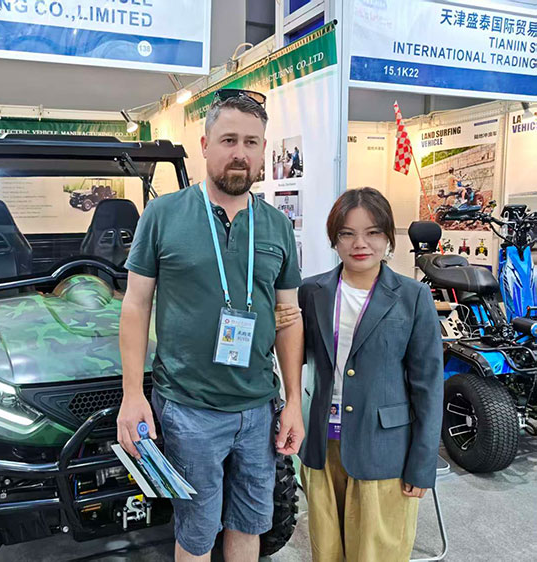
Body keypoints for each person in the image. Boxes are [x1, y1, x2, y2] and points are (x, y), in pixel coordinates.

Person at [117, 89, 305, 562]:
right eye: (228, 140)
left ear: (263, 150)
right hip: (189, 409)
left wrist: (293, 401)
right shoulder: (163, 215)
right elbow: (136, 306)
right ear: (204, 145)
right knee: (197, 532)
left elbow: (289, 318)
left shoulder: (278, 226)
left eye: (251, 142)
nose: (240, 153)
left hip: (259, 407)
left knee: (250, 523)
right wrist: (132, 395)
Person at [297, 187, 443, 561]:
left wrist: (422, 464)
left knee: (378, 553)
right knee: (326, 552)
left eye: (372, 232)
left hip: (385, 450)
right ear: (334, 239)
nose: (360, 244)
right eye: (347, 233)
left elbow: (428, 387)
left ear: (388, 237)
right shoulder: (311, 291)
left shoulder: (412, 296)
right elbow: (293, 354)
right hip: (323, 446)